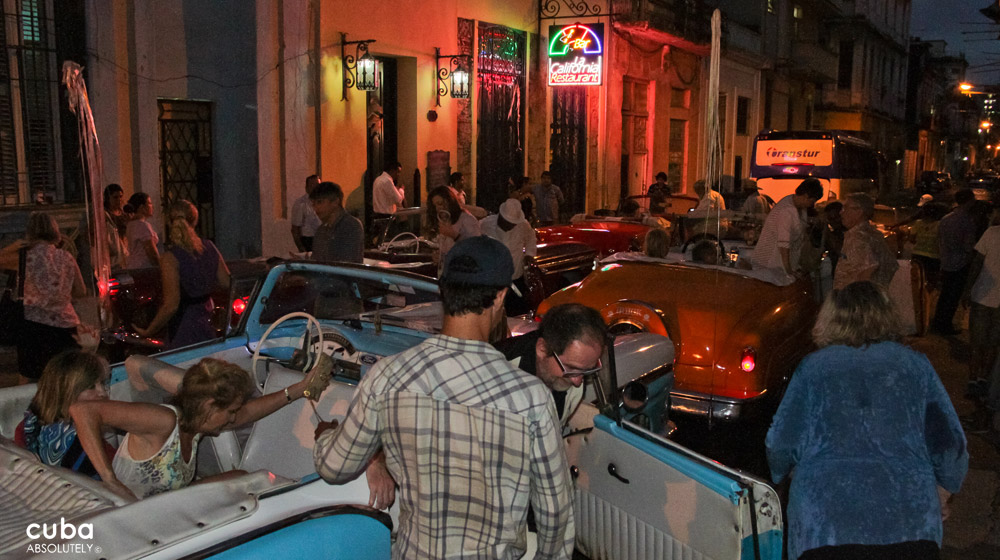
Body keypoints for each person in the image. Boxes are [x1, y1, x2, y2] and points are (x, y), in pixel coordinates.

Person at [314, 236, 575, 558]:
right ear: (499, 298)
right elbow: (556, 515)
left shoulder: (387, 376)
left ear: (443, 290)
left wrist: (326, 434)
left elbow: (334, 467)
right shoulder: (530, 397)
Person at [766, 281, 968, 560]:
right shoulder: (916, 366)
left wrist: (781, 476)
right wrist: (945, 490)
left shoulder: (814, 368)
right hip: (907, 522)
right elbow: (951, 445)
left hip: (827, 522)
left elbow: (780, 443)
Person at [71, 357, 328, 500]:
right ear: (209, 405)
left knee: (247, 476)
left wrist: (298, 390)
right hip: (133, 515)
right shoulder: (163, 421)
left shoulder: (197, 423)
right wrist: (110, 480)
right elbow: (83, 411)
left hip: (167, 504)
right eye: (229, 411)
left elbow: (248, 412)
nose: (233, 418)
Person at [133, 200, 230, 349]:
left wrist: (149, 330)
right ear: (195, 221)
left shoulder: (169, 259)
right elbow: (226, 282)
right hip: (206, 321)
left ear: (170, 223)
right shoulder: (209, 247)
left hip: (183, 327)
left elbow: (171, 305)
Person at [495, 303, 606, 427]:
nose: (577, 382)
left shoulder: (574, 376)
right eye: (570, 368)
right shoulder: (499, 371)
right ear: (542, 348)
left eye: (587, 371)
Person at [15, 350, 115, 478]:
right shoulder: (89, 443)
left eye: (103, 383)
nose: (102, 392)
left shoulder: (29, 425)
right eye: (91, 386)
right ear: (66, 391)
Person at [14, 212, 86, 382]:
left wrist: (16, 246)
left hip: (33, 323)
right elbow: (81, 290)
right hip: (64, 325)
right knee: (66, 377)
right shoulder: (66, 257)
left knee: (30, 377)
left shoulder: (24, 257)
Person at [751, 178, 824, 277]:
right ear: (806, 196)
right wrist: (788, 271)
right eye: (812, 201)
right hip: (770, 265)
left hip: (781, 266)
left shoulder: (798, 208)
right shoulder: (787, 211)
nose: (812, 204)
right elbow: (783, 245)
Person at [931, 188, 978, 334]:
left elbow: (939, 239)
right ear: (969, 201)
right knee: (953, 296)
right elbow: (968, 246)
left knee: (944, 294)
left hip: (946, 261)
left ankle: (938, 322)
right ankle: (945, 325)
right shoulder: (967, 221)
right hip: (960, 263)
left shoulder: (946, 219)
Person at [481, 198, 538, 315]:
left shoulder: (523, 225)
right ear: (500, 216)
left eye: (512, 224)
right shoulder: (485, 224)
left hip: (515, 278)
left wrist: (529, 254)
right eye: (506, 222)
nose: (509, 226)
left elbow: (531, 238)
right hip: (493, 280)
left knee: (516, 314)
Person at [966, 210, 1000, 399]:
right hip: (985, 295)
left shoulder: (992, 233)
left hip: (983, 294)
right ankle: (981, 379)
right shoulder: (992, 233)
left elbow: (977, 263)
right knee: (991, 342)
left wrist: (968, 288)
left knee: (978, 341)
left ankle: (975, 380)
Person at [834, 193, 899, 290]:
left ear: (859, 211)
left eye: (845, 208)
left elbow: (868, 269)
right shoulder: (873, 234)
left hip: (853, 300)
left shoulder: (859, 238)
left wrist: (859, 297)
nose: (841, 212)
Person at [425, 185, 481, 267]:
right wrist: (439, 256)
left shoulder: (467, 220)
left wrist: (454, 236)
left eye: (440, 204)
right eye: (435, 206)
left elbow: (476, 249)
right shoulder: (444, 221)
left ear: (450, 201)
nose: (437, 209)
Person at [310, 181, 365, 264]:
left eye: (320, 202)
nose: (316, 208)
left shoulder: (350, 226)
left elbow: (346, 263)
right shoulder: (321, 230)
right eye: (313, 204)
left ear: (335, 202)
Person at [124, 192, 160, 269]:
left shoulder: (131, 224)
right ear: (142, 207)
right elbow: (151, 251)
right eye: (149, 203)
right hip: (143, 267)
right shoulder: (142, 225)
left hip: (134, 265)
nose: (152, 206)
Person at [291, 174, 322, 252]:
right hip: (308, 240)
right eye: (312, 185)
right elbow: (295, 229)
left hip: (322, 239)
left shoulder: (324, 202)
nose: (315, 188)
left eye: (317, 185)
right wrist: (302, 248)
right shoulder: (301, 203)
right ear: (307, 188)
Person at [103, 184, 128, 270]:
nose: (119, 200)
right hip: (112, 251)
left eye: (120, 197)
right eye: (115, 197)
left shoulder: (124, 214)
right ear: (108, 198)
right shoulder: (105, 215)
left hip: (125, 250)